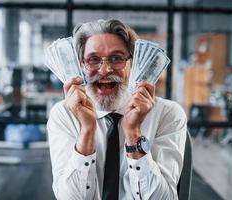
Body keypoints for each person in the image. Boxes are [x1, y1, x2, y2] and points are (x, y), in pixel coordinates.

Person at [47, 19, 187, 200]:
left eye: (116, 58)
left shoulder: (168, 114)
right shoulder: (63, 114)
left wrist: (133, 133)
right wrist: (87, 131)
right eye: (93, 59)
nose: (105, 70)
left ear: (133, 63)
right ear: (81, 65)